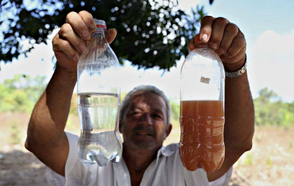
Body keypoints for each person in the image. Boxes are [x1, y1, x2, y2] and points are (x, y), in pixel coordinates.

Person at [25, 10, 255, 186]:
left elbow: (236, 143)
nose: (145, 120)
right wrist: (67, 70)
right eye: (135, 113)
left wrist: (234, 66)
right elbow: (41, 143)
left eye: (156, 115)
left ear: (168, 130)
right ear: (119, 125)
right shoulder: (94, 160)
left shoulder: (186, 165)